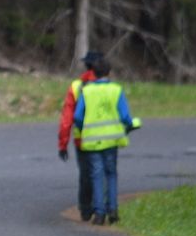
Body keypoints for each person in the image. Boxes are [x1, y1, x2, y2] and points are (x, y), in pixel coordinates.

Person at [73, 58, 140, 226]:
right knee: (111, 174)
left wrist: (84, 129)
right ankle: (113, 210)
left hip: (92, 140)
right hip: (112, 140)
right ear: (109, 73)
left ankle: (99, 213)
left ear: (93, 73)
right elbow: (125, 116)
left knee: (96, 175)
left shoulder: (86, 91)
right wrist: (132, 124)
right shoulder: (116, 90)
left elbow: (78, 116)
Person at [57, 51, 100, 221]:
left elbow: (67, 118)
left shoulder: (77, 86)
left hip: (82, 139)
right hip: (108, 139)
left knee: (85, 174)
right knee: (103, 172)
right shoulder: (110, 86)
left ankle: (85, 208)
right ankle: (102, 207)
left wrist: (62, 144)